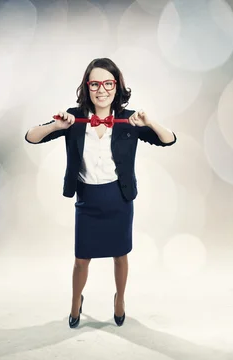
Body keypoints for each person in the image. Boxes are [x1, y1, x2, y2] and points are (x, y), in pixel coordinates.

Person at [24, 58, 177, 328]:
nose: (102, 89)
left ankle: (119, 300)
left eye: (108, 83)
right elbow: (30, 136)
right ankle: (75, 304)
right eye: (95, 83)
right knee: (81, 258)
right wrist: (56, 126)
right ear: (87, 87)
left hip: (119, 198)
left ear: (117, 86)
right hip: (87, 201)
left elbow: (169, 139)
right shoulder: (74, 117)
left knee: (120, 254)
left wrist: (149, 122)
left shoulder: (128, 121)